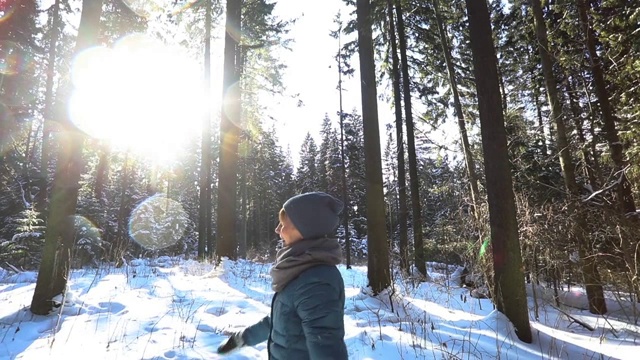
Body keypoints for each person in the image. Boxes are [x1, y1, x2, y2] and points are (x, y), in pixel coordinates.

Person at [217, 191, 349, 359]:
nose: (277, 229)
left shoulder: (316, 282)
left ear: (304, 228)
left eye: (283, 224)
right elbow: (281, 320)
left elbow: (326, 346)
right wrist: (243, 338)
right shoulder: (300, 268)